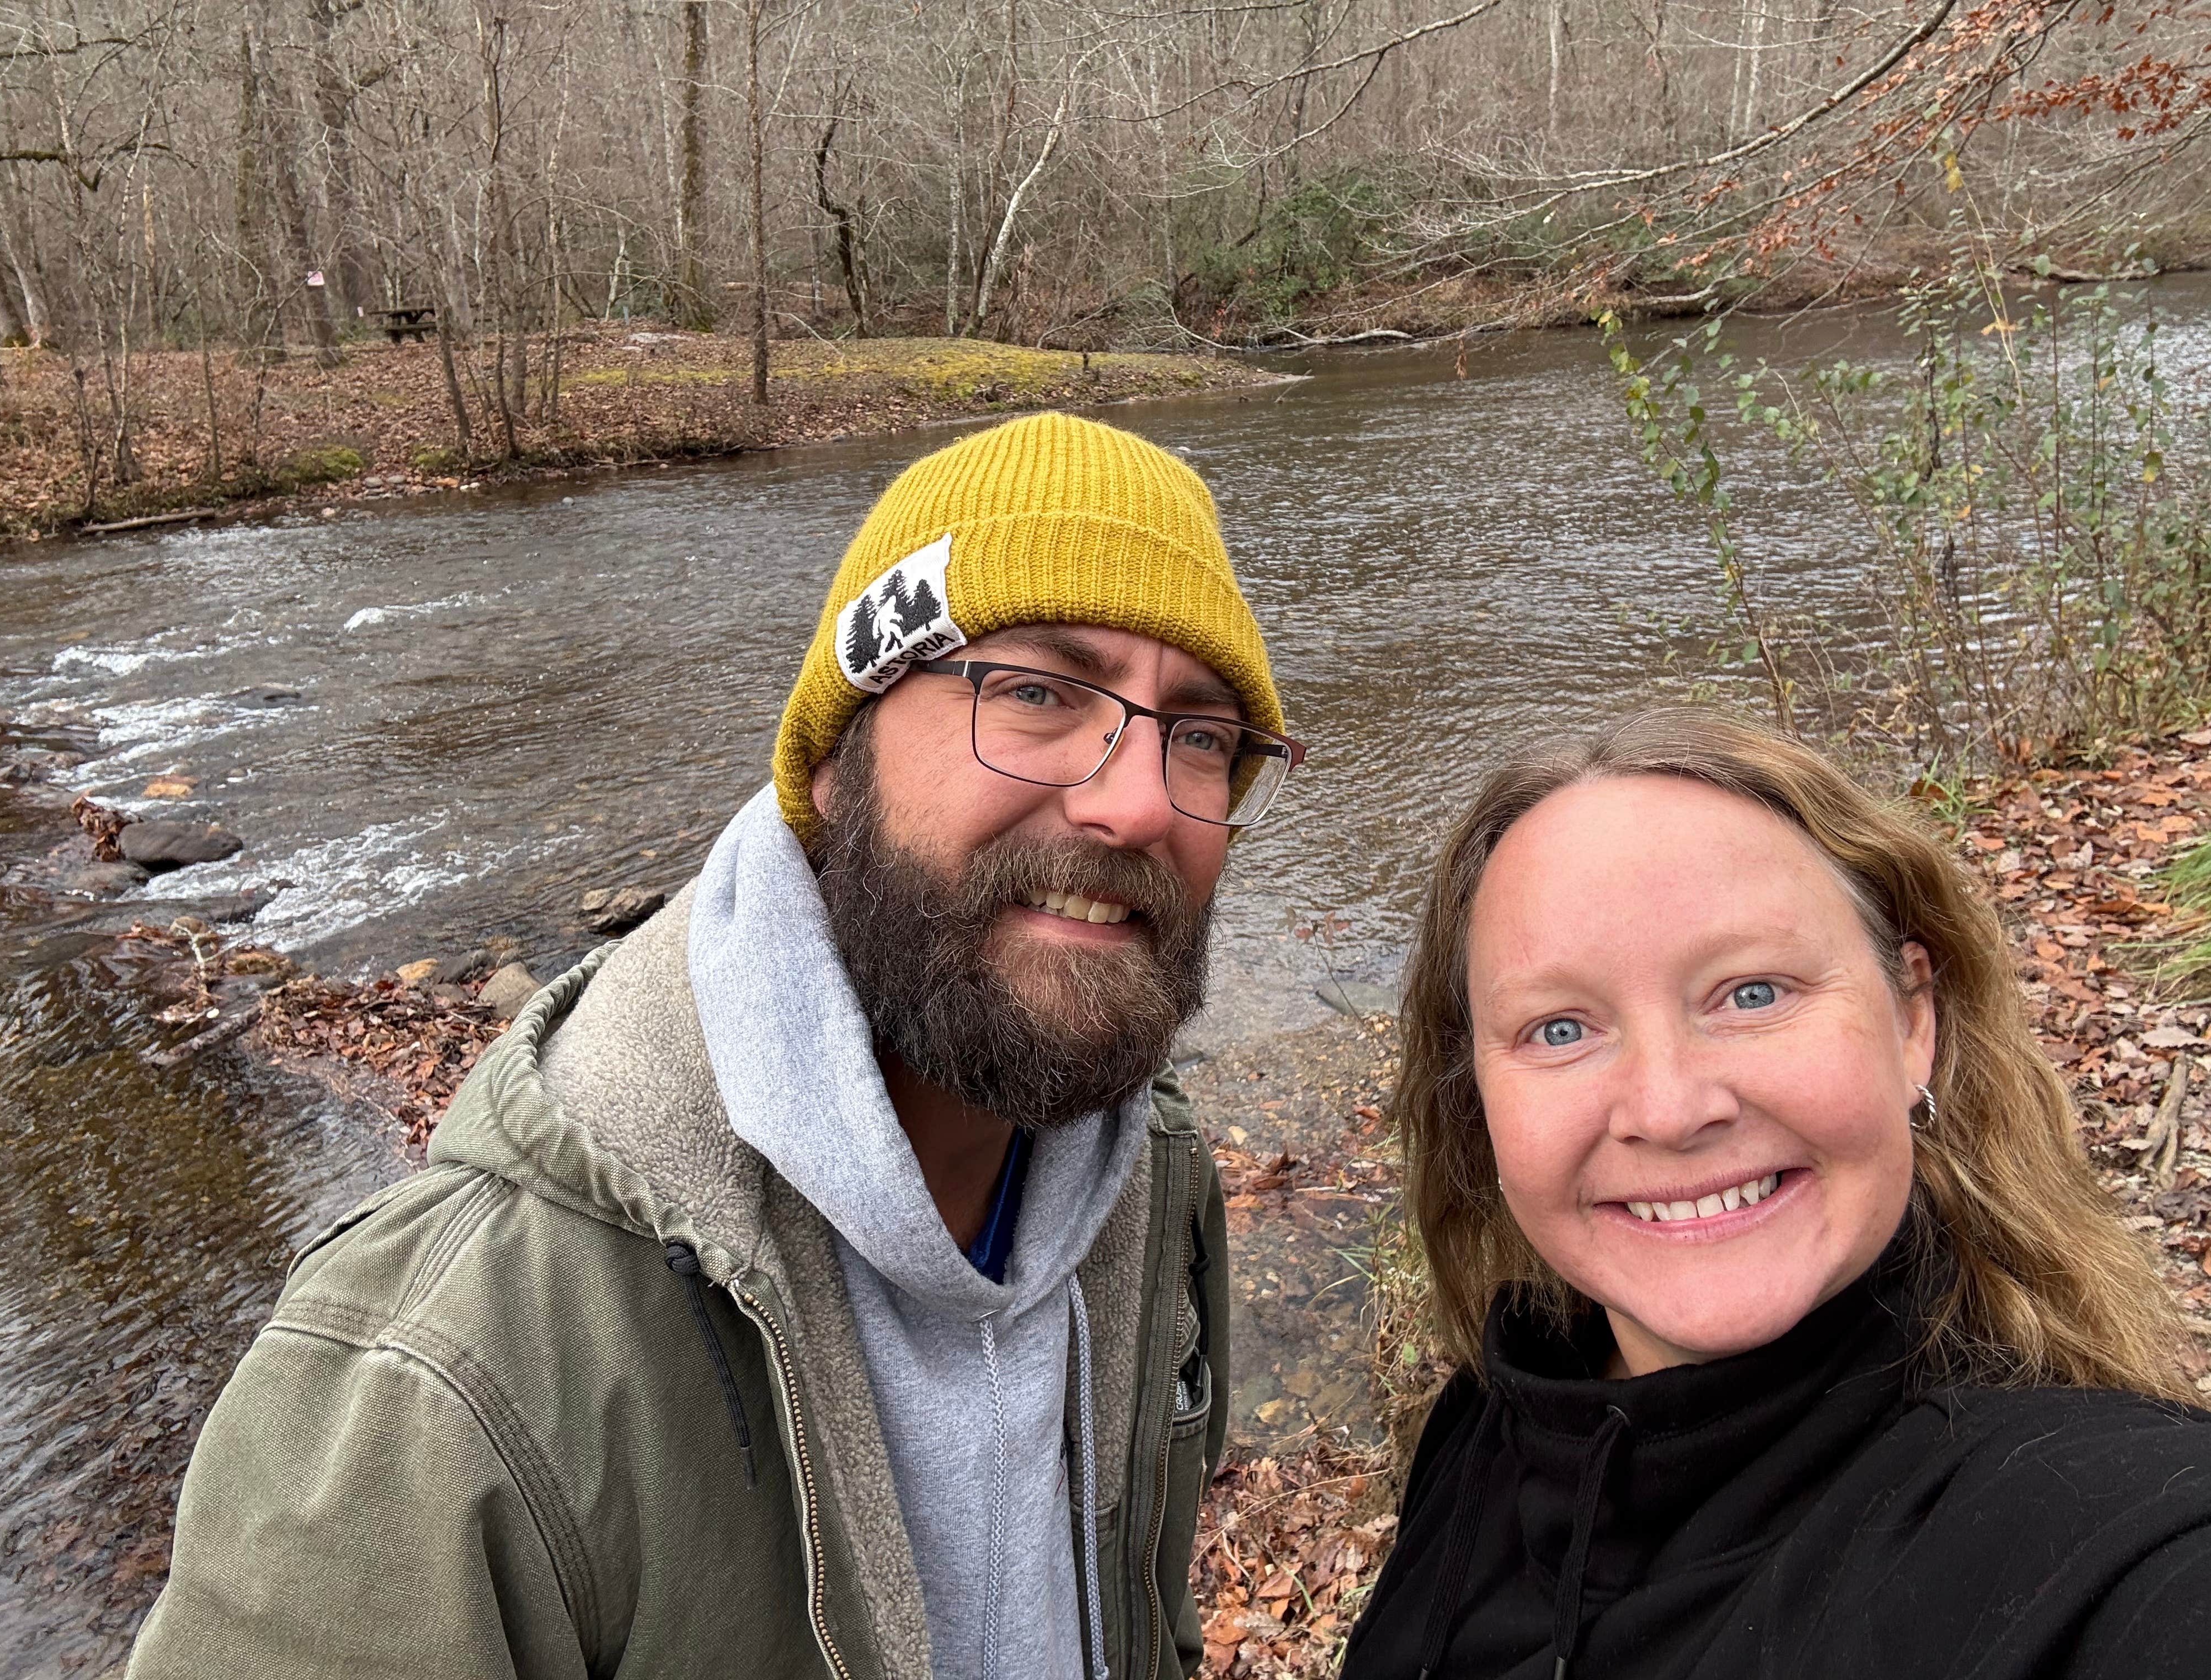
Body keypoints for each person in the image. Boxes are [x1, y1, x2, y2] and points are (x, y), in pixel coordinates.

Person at [128, 412, 1307, 1680]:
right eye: (1034, 693)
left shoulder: (1152, 1180)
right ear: (840, 760)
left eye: (1200, 735)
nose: (1137, 798)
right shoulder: (443, 1382)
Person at [1342, 707, 2211, 1680]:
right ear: (1479, 1098)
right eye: (1559, 1029)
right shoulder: (1493, 1422)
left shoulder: (2089, 1520)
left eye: (1752, 993)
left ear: (1911, 1016)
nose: (1668, 1110)